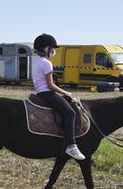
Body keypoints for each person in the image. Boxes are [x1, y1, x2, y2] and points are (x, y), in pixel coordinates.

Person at [32, 33, 86, 161]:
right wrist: (65, 93)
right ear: (47, 49)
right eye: (52, 48)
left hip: (39, 92)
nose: (54, 51)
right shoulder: (47, 63)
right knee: (70, 113)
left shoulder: (37, 62)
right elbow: (50, 85)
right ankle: (71, 145)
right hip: (47, 93)